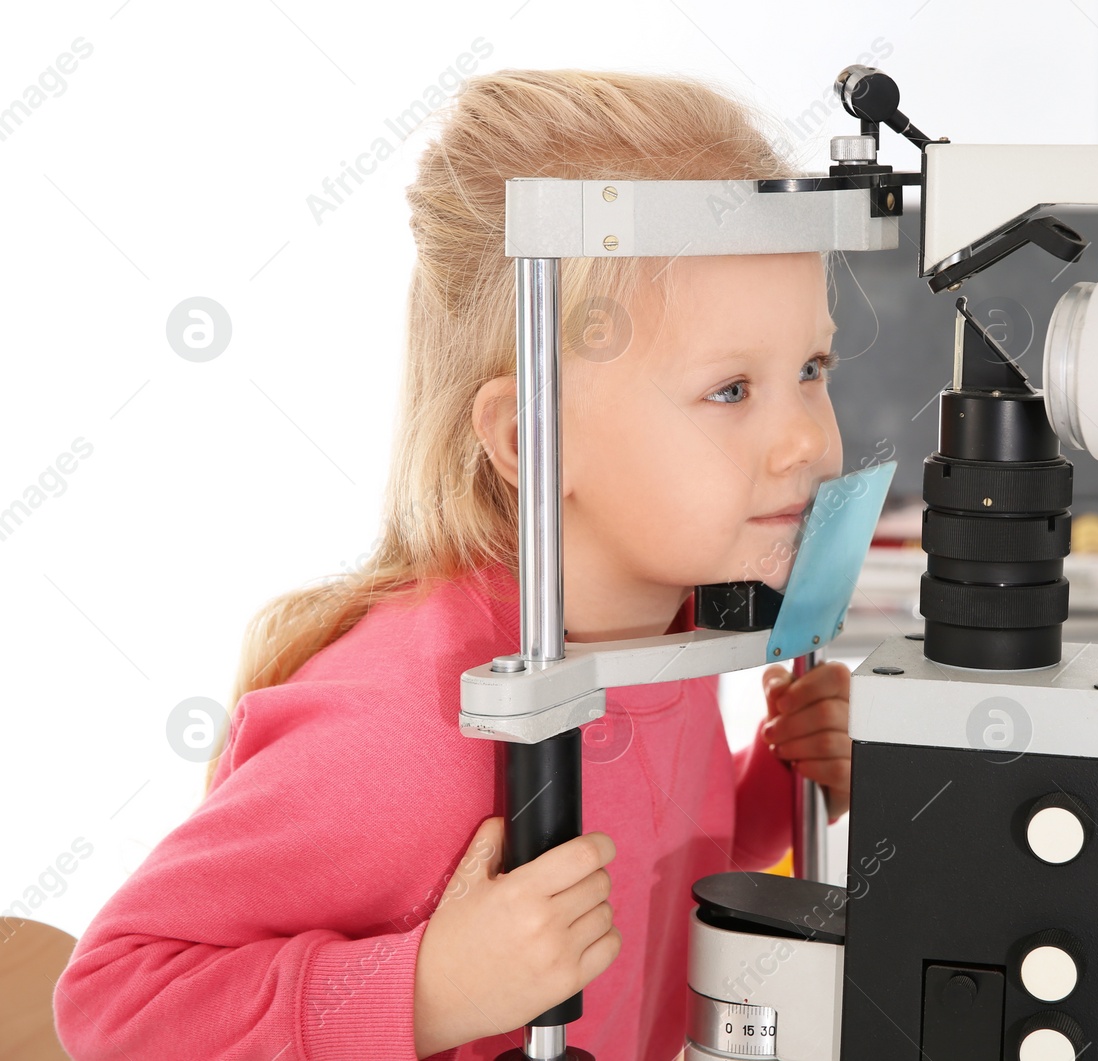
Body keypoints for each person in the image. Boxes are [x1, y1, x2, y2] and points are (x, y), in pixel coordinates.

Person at [53, 68, 855, 1061]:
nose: (808, 445)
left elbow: (641, 867)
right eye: (731, 388)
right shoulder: (407, 723)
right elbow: (112, 1002)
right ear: (531, 435)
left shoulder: (669, 631)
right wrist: (430, 988)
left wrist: (778, 785)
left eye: (811, 369)